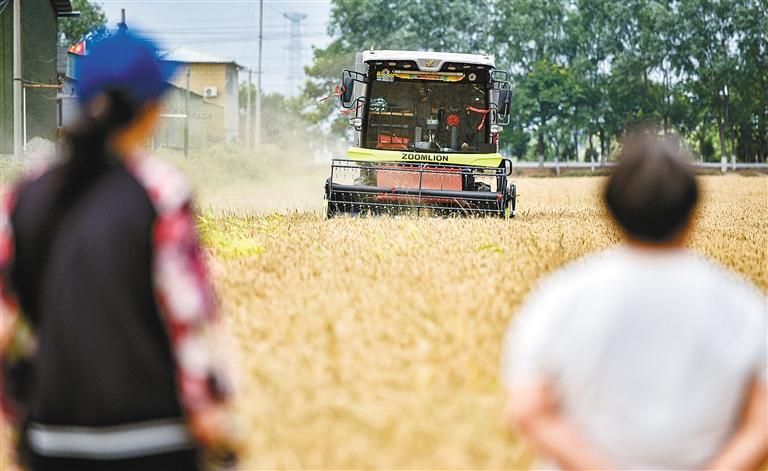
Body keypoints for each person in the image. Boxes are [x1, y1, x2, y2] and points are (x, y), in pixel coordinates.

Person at [0, 31, 238, 470]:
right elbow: (186, 317)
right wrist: (210, 415)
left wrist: (20, 415)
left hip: (52, 439)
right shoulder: (161, 193)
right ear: (152, 110)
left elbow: (5, 322)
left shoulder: (24, 195)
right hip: (153, 438)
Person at [501, 133, 767, 470]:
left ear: (610, 209)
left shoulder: (560, 297)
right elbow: (762, 423)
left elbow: (530, 410)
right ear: (693, 212)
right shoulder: (744, 306)